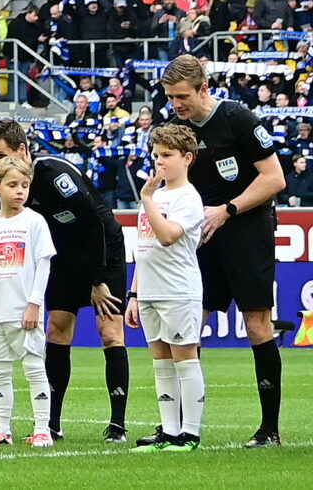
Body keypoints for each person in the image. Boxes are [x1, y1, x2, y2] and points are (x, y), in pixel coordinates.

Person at [0, 117, 130, 442]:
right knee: (58, 329)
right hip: (63, 257)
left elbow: (94, 224)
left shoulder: (54, 175)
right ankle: (51, 424)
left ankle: (117, 426)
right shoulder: (7, 184)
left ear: (22, 150)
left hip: (103, 251)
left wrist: (97, 280)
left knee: (109, 332)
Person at [160, 52, 282, 445]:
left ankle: (268, 430)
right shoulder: (179, 132)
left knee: (256, 325)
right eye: (171, 97)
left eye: (182, 97)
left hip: (247, 229)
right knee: (188, 328)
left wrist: (227, 210)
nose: (176, 105)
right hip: (202, 234)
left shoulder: (237, 118)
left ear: (203, 89)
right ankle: (181, 427)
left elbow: (275, 178)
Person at [133, 123, 208, 452]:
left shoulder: (188, 197)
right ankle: (169, 430)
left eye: (167, 155)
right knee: (161, 362)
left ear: (187, 158)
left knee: (184, 358)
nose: (159, 161)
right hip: (150, 290)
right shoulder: (155, 195)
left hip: (178, 290)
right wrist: (134, 294)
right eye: (155, 154)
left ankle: (190, 433)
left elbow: (167, 235)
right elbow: (143, 246)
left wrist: (147, 199)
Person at [0, 156, 56, 447]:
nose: (20, 191)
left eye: (24, 185)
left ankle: (43, 428)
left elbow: (43, 263)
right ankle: (1, 429)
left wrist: (34, 303)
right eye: (12, 185)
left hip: (24, 311)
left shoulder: (35, 221)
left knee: (34, 367)